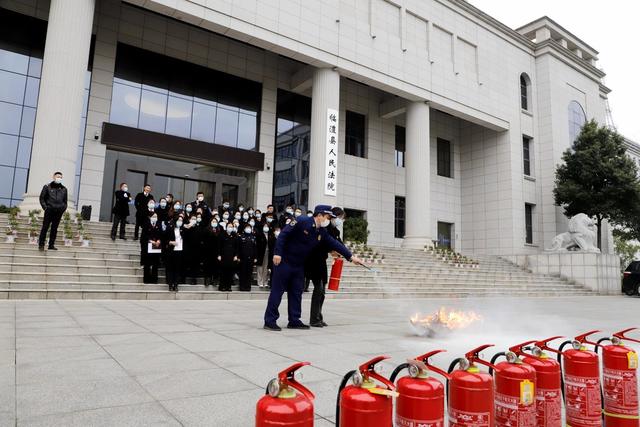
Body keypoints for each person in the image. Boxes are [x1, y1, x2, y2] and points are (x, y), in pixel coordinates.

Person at [263, 205, 364, 331]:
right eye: (328, 217)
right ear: (320, 215)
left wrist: (351, 257)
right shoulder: (302, 221)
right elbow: (283, 235)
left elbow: (335, 244)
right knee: (277, 292)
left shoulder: (321, 231)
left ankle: (294, 320)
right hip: (284, 261)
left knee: (296, 292)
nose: (329, 220)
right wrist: (277, 253)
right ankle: (270, 320)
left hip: (299, 265)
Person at [308, 206, 345, 327]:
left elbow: (339, 245)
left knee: (322, 291)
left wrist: (348, 254)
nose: (340, 220)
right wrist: (331, 250)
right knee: (318, 289)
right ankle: (314, 318)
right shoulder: (325, 228)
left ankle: (319, 316)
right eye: (339, 217)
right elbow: (325, 243)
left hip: (322, 261)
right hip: (314, 261)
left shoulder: (336, 231)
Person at [38, 171, 68, 251]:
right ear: (54, 177)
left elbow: (65, 201)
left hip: (58, 212)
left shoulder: (64, 189)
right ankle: (41, 245)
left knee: (54, 229)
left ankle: (51, 245)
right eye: (58, 176)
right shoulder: (47, 186)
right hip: (49, 210)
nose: (59, 178)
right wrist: (45, 208)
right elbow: (42, 198)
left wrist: (63, 209)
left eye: (61, 177)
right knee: (45, 227)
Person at [163, 216, 185, 292]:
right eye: (179, 220)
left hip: (180, 251)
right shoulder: (170, 228)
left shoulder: (182, 229)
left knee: (177, 269)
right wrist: (170, 242)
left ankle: (176, 284)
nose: (180, 222)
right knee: (170, 268)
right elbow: (164, 238)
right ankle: (170, 284)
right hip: (171, 251)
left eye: (181, 220)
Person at [142, 213, 162, 284]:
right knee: (147, 264)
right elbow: (144, 236)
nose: (155, 218)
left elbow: (161, 234)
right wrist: (150, 241)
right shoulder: (146, 224)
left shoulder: (158, 225)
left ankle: (154, 280)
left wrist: (159, 240)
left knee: (155, 264)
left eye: (156, 216)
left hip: (156, 247)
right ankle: (146, 279)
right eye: (153, 216)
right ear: (150, 217)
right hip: (148, 247)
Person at [218, 223, 239, 292]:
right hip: (223, 256)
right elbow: (219, 246)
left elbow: (237, 247)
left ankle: (228, 286)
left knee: (230, 273)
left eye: (231, 227)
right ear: (226, 227)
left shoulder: (234, 236)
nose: (230, 228)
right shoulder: (222, 235)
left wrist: (236, 255)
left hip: (232, 257)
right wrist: (219, 255)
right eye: (229, 226)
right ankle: (222, 286)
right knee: (223, 272)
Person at [238, 224, 257, 291]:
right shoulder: (241, 237)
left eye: (249, 227)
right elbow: (239, 248)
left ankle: (248, 287)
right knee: (243, 272)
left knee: (249, 273)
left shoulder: (253, 237)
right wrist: (238, 256)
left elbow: (255, 248)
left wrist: (255, 257)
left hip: (251, 258)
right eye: (247, 227)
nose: (248, 229)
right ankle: (242, 287)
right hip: (243, 257)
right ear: (244, 228)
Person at [202, 217, 220, 287]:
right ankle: (207, 280)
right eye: (213, 221)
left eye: (215, 221)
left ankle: (215, 280)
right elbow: (204, 240)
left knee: (215, 266)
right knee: (207, 266)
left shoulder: (219, 230)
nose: (214, 223)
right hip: (207, 251)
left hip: (216, 252)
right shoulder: (206, 229)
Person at [255, 223, 270, 288]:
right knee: (260, 268)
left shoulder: (270, 235)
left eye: (267, 226)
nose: (266, 227)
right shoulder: (259, 235)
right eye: (265, 226)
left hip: (268, 252)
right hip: (260, 253)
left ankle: (265, 282)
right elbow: (257, 245)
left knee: (266, 268)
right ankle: (260, 281)